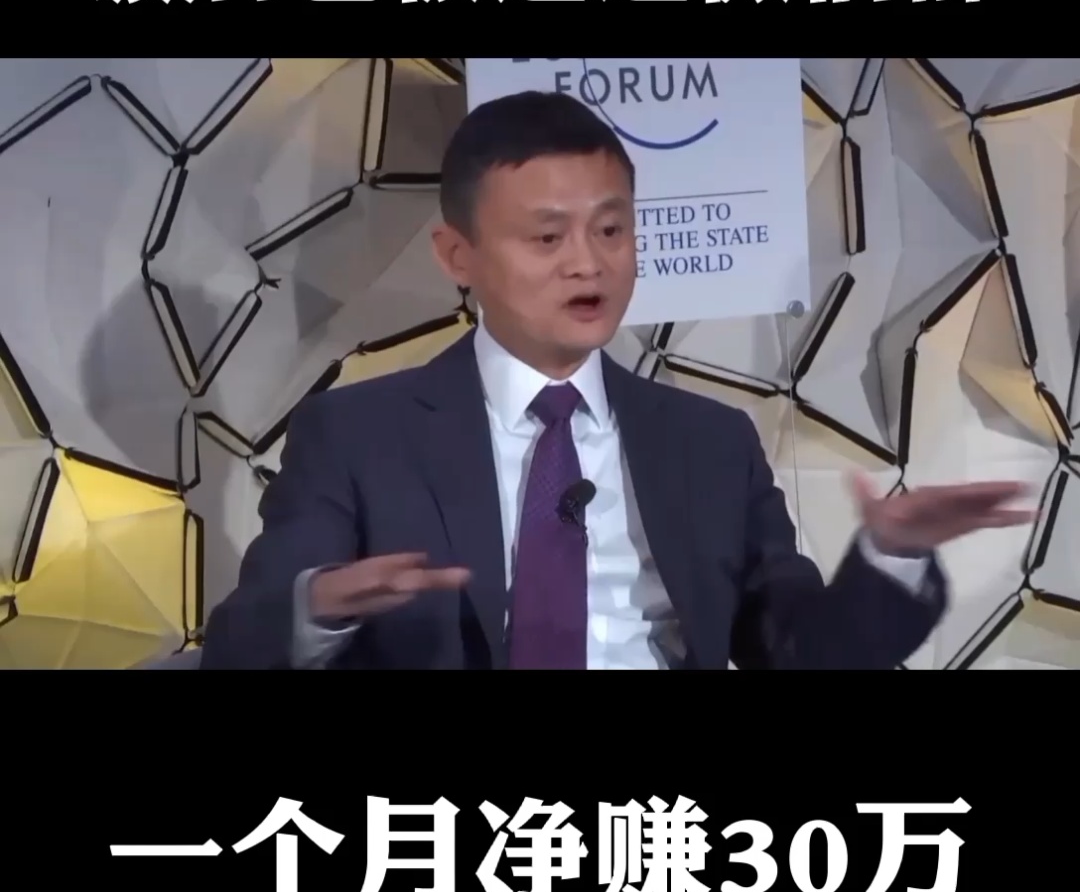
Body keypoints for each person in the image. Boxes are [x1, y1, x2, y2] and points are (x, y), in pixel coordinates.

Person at [200, 90, 1036, 671]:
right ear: (458, 256)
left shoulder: (709, 443)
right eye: (547, 238)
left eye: (611, 229)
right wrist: (322, 607)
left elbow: (800, 653)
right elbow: (241, 644)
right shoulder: (357, 434)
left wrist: (890, 555)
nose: (588, 263)